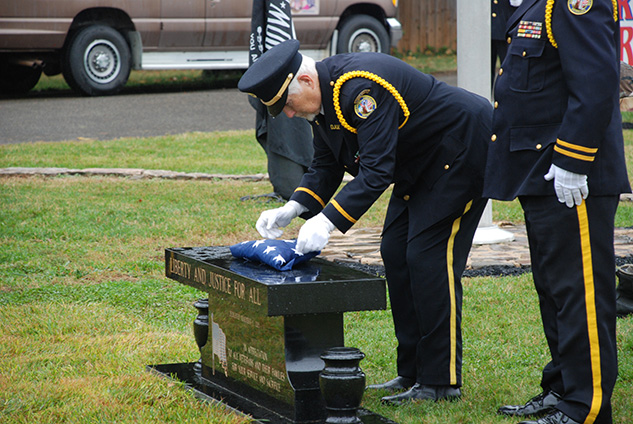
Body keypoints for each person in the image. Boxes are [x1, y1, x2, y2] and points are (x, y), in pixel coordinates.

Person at [238, 39, 492, 404]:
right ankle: (412, 373)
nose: (289, 115)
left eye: (288, 104)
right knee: (394, 250)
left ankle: (440, 382)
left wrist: (326, 223)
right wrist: (293, 207)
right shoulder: (323, 103)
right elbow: (326, 165)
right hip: (421, 162)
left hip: (460, 148)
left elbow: (376, 170)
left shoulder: (359, 88)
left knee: (427, 256)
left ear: (307, 82)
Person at [485, 1, 630, 423]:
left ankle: (587, 405)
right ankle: (563, 389)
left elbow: (598, 79)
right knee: (553, 288)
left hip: (571, 171)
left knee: (580, 292)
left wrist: (573, 159)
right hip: (539, 168)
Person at [491, 0, 522, 83]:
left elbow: (516, 3)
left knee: (507, 69)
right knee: (486, 70)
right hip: (488, 31)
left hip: (505, 30)